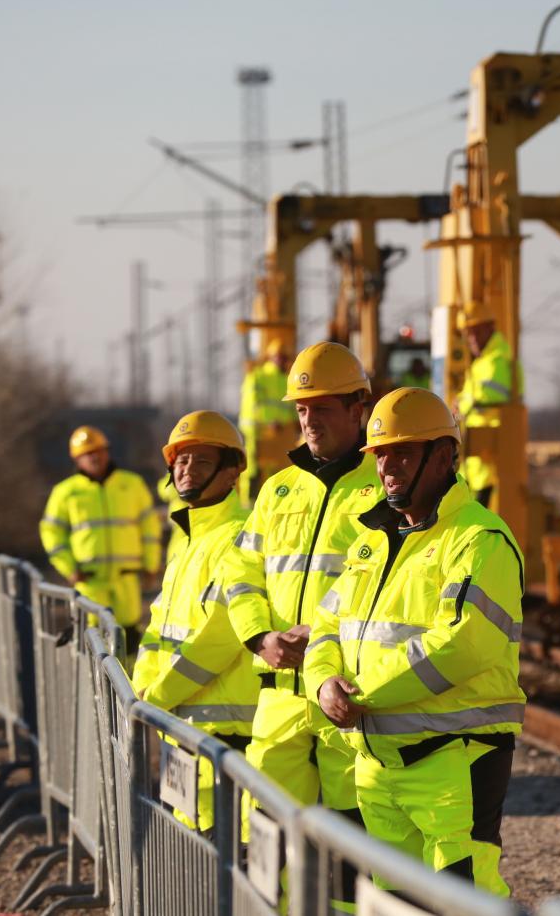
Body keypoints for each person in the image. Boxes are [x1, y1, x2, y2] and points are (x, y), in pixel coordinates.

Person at [305, 387, 525, 897]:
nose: (387, 468)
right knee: (396, 904)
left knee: (468, 899)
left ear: (444, 456)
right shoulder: (371, 541)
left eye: (402, 453)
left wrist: (355, 694)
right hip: (379, 764)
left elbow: (465, 646)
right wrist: (321, 685)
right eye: (380, 454)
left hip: (455, 758)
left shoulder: (478, 539)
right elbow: (326, 627)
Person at [223, 341, 380, 831]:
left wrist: (324, 632)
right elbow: (241, 571)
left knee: (351, 840)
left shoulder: (383, 486)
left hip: (347, 696)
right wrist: (261, 638)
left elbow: (390, 580)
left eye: (323, 408)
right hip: (280, 696)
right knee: (271, 839)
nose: (309, 420)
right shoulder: (277, 489)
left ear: (359, 409)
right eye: (302, 409)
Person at [132, 410, 258, 831]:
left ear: (232, 472)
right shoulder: (188, 541)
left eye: (202, 461)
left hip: (224, 736)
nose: (187, 470)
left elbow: (221, 635)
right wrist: (139, 691)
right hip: (180, 728)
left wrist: (156, 697)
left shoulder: (240, 536)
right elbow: (158, 630)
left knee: (226, 866)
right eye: (181, 461)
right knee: (191, 863)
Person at [40, 426, 161, 648]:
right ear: (76, 458)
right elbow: (51, 531)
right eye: (87, 453)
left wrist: (151, 564)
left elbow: (150, 527)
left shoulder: (132, 484)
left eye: (98, 450)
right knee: (92, 640)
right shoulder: (65, 492)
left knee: (130, 639)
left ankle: (130, 681)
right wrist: (68, 568)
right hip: (89, 580)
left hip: (127, 579)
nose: (94, 457)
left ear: (107, 451)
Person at [454, 304, 522, 508]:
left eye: (475, 333)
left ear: (489, 329)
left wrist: (460, 404)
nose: (470, 339)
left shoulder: (497, 361)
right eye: (468, 334)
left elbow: (487, 398)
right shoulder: (483, 362)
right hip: (477, 454)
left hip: (489, 452)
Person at [238, 340, 296, 503]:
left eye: (284, 358)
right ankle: (249, 504)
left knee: (279, 474)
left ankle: (274, 503)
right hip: (258, 434)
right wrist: (265, 424)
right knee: (253, 471)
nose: (281, 361)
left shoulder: (287, 380)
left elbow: (292, 410)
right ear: (270, 358)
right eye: (278, 357)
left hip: (281, 436)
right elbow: (250, 407)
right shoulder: (257, 376)